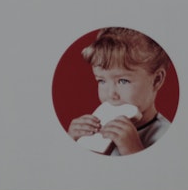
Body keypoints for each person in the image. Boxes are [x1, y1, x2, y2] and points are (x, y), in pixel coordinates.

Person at [66, 27, 172, 156]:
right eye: (101, 81)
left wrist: (133, 151)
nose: (111, 95)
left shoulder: (166, 134)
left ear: (156, 80)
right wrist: (71, 143)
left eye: (123, 81)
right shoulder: (95, 132)